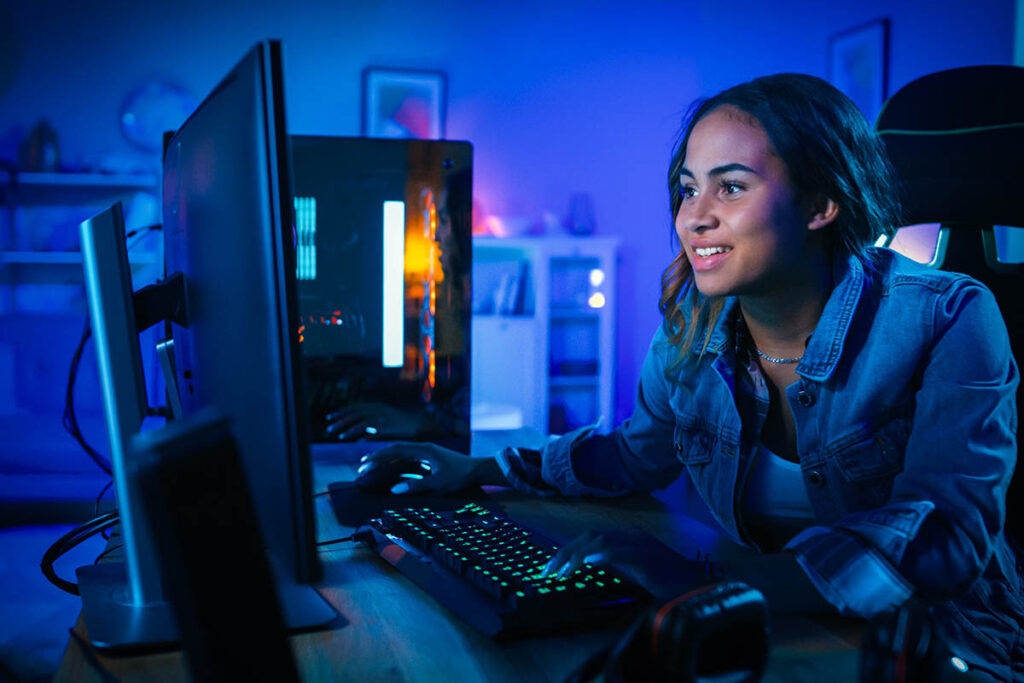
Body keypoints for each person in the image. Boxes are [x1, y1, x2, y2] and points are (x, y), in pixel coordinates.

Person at [358, 73, 1023, 680]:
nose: (691, 216)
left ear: (821, 202)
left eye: (729, 186)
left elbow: (942, 540)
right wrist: (478, 468)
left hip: (936, 650)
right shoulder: (695, 321)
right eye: (687, 187)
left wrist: (706, 575)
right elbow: (631, 454)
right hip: (768, 622)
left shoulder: (951, 315)